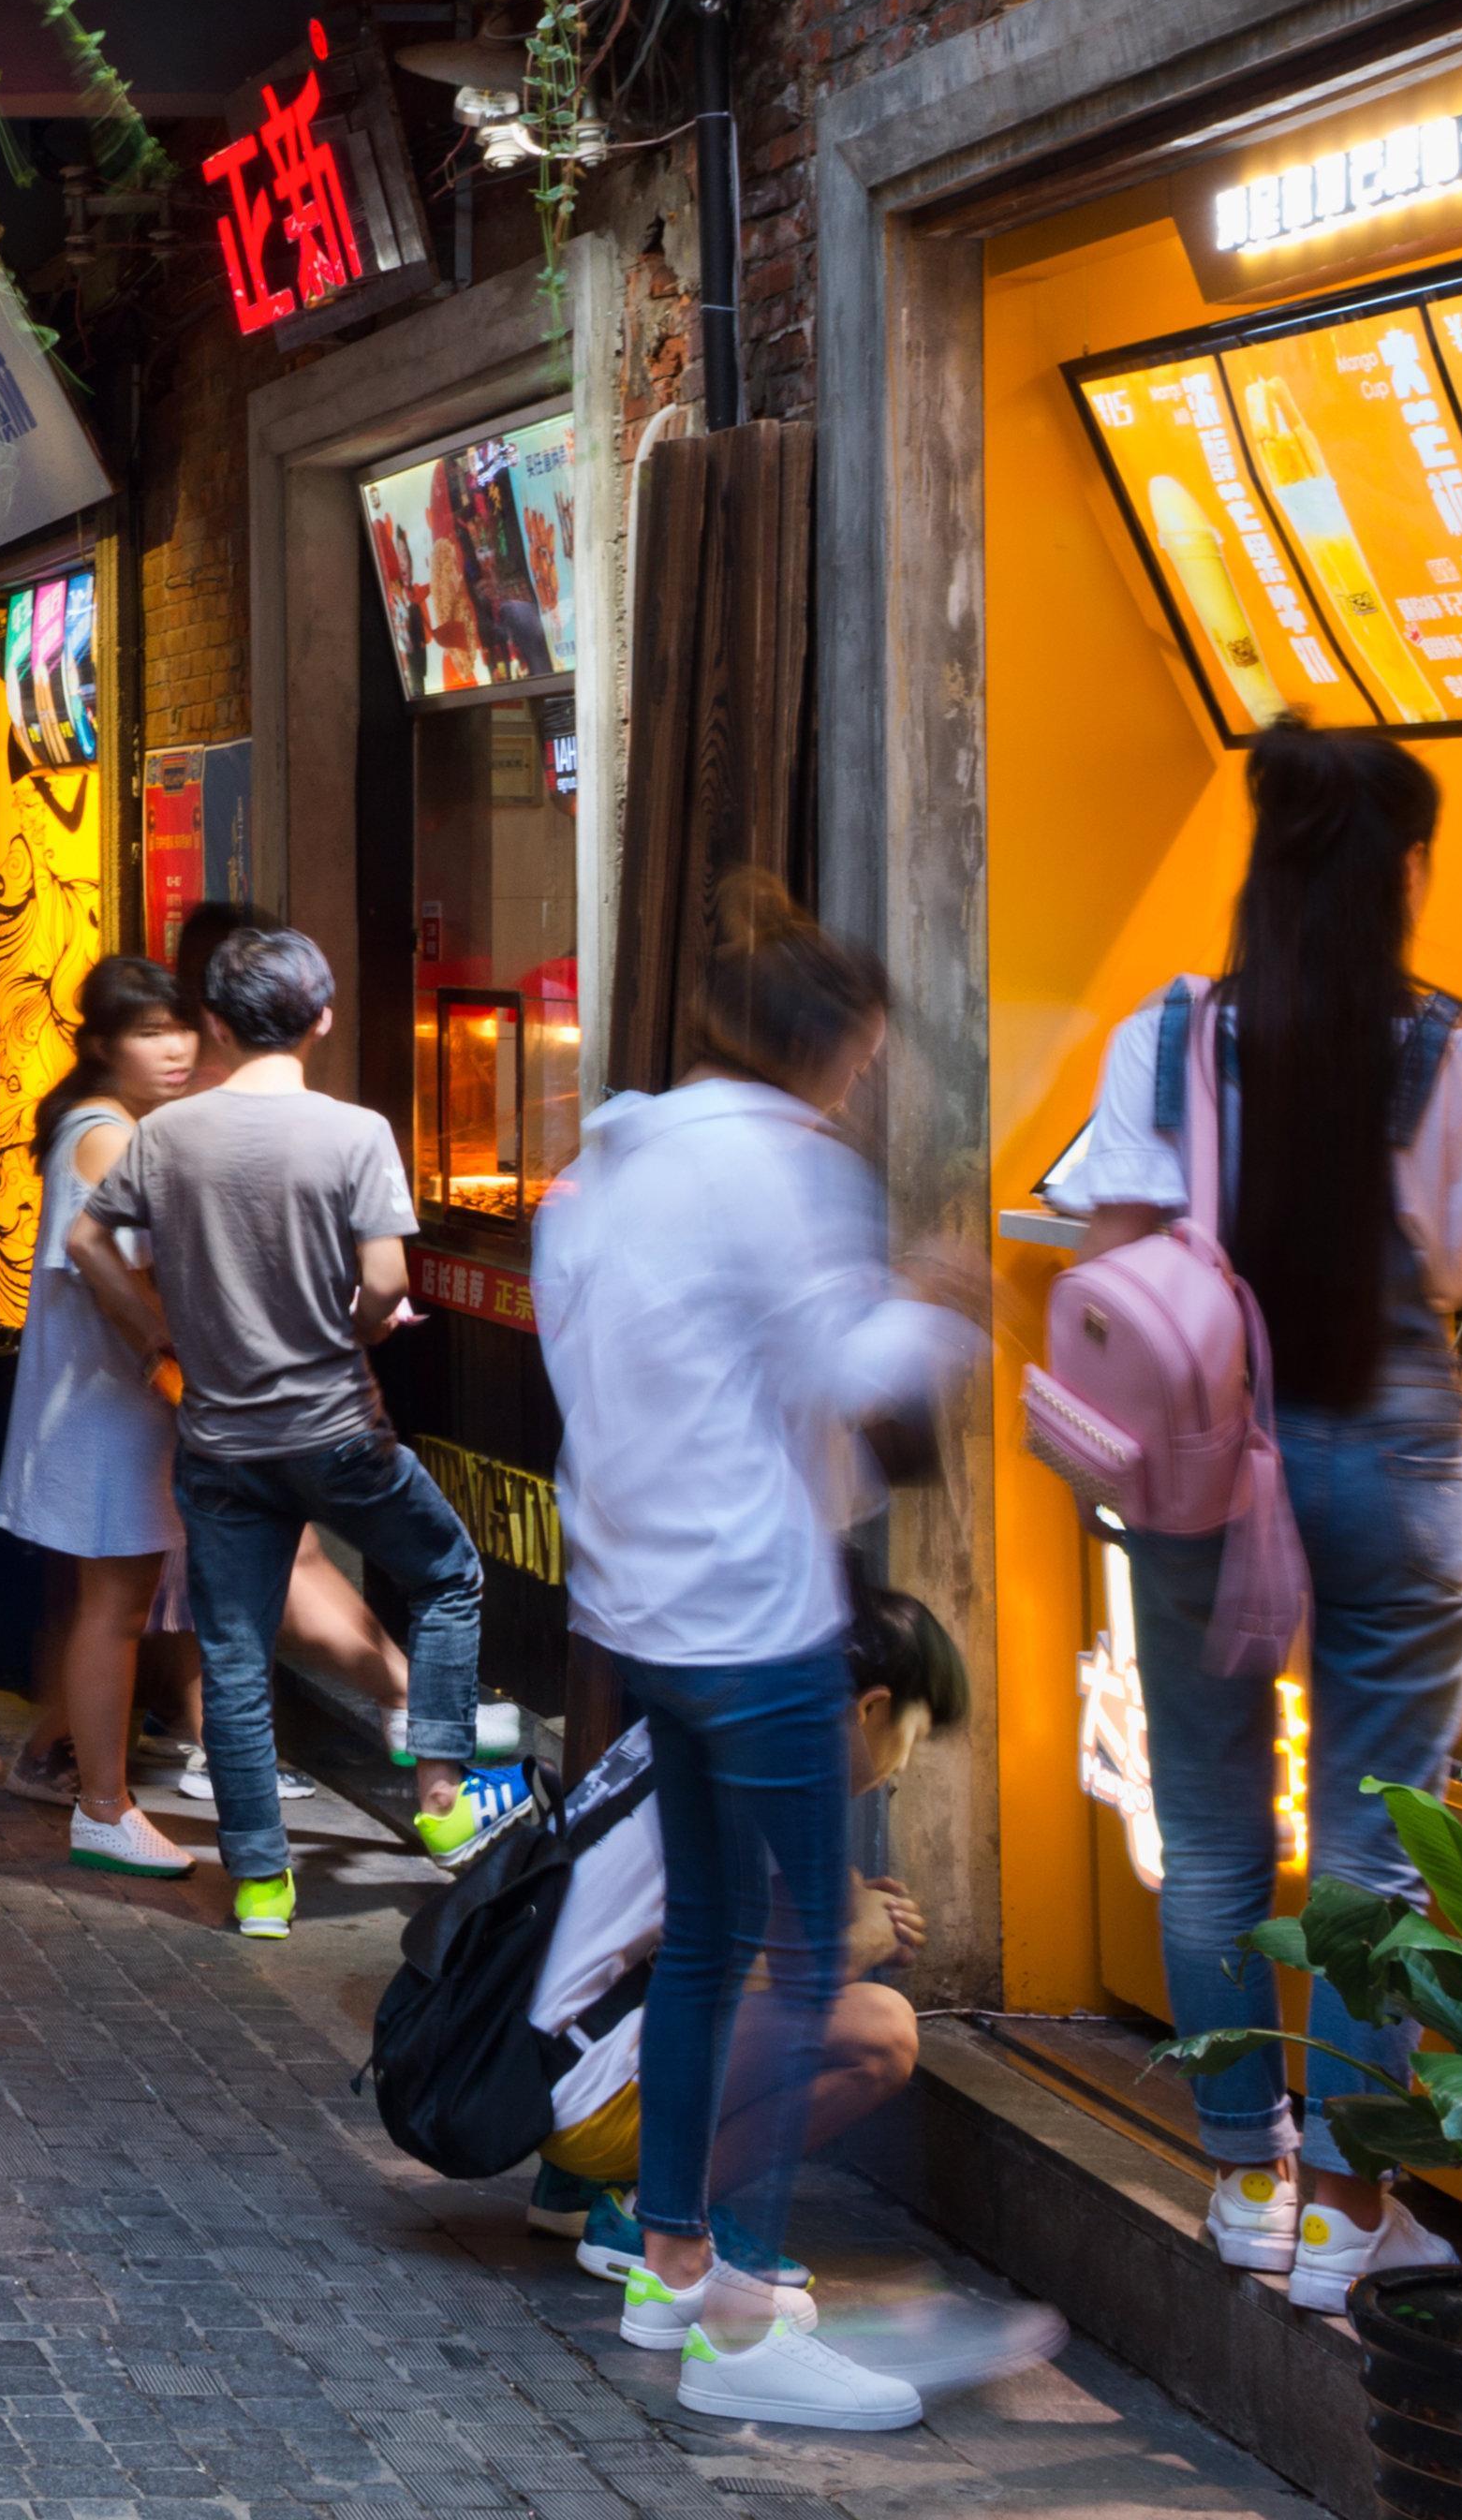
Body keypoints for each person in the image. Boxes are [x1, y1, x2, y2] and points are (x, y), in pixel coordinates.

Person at [1044, 724, 1462, 2312]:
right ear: (1408, 876)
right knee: (1367, 1857)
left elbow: (1125, 1245)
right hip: (1393, 1469)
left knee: (1208, 1833)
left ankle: (1236, 2183)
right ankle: (1343, 2210)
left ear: (1259, 867)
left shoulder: (1168, 1037)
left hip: (1210, 1464)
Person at [532, 887, 982, 2428]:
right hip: (755, 1612)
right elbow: (842, 1369)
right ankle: (738, 2299)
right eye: (858, 1060)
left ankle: (670, 2258)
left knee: (716, 1937)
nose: (858, 1087)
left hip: (640, 1609)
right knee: (799, 1957)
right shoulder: (787, 1171)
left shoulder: (613, 1154)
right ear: (828, 1047)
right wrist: (934, 1304)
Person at [81, 919, 484, 1935]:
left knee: (231, 1649)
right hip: (335, 1427)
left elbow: (90, 1241)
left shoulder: (165, 1134)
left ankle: (260, 1882)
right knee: (445, 1575)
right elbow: (388, 1278)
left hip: (217, 1441)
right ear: (323, 1017)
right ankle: (439, 1798)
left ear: (212, 1024)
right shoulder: (354, 1134)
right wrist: (348, 1326)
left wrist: (153, 1341)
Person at [515, 1590, 970, 2289]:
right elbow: (792, 1975)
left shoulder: (718, 1724)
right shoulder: (775, 1780)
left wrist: (849, 1913)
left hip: (532, 2069)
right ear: (871, 1709)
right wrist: (865, 1940)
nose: (903, 1763)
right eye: (910, 1734)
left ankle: (572, 2190)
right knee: (883, 2033)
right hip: (582, 2102)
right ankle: (658, 2217)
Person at [0, 954, 204, 1879]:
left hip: (103, 1404)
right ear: (105, 1045)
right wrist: (168, 1350)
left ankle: (78, 1773)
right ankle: (105, 1806)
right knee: (112, 1608)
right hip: (105, 1408)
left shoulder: (113, 1123)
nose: (175, 1047)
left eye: (180, 1027)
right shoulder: (107, 1133)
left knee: (111, 1605)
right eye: (150, 1032)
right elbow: (103, 1263)